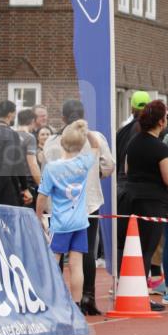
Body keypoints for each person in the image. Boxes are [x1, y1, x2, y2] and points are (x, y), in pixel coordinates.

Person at [44, 99, 114, 315]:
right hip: (87, 203)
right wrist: (95, 176)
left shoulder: (52, 142)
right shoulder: (96, 138)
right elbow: (109, 166)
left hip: (60, 206)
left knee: (56, 253)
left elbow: (44, 169)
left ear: (63, 118)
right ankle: (87, 298)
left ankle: (55, 298)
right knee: (85, 253)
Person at [36, 120, 99, 307]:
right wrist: (86, 132)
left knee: (54, 261)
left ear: (62, 142)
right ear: (81, 145)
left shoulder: (52, 168)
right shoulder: (84, 162)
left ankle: (52, 301)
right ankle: (76, 303)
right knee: (76, 264)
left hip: (60, 223)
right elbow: (96, 146)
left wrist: (38, 214)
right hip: (80, 222)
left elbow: (42, 196)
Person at [15, 107, 41, 206]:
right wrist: (42, 186)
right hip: (27, 183)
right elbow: (33, 164)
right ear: (32, 121)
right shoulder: (30, 137)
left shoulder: (11, 135)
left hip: (12, 182)